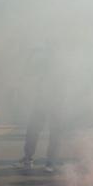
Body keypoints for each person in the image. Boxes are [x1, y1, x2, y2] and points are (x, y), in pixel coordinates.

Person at [17, 43, 63, 172]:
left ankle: (50, 162)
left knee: (53, 132)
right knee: (33, 130)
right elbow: (27, 72)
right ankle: (29, 158)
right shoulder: (43, 63)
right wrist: (31, 55)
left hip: (56, 102)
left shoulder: (63, 65)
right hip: (42, 101)